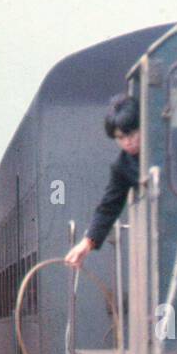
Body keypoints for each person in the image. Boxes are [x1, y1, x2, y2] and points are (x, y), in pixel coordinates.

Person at [64, 94, 140, 269]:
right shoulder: (122, 166)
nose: (127, 142)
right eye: (120, 138)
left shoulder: (176, 140)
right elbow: (108, 207)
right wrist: (87, 243)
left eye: (131, 134)